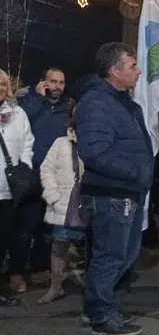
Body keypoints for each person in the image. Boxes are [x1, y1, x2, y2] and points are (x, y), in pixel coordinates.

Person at [74, 43, 153, 335]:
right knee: (111, 256)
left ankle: (98, 306)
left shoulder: (126, 104)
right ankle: (101, 314)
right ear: (114, 70)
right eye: (132, 66)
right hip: (112, 194)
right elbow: (94, 153)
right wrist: (136, 173)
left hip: (127, 194)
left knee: (125, 255)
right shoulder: (97, 103)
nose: (139, 70)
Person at [14, 67, 71, 292]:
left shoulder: (68, 108)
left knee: (47, 227)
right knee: (24, 227)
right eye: (52, 81)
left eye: (61, 82)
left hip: (56, 178)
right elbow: (22, 123)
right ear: (43, 82)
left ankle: (40, 268)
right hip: (31, 175)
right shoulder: (28, 103)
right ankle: (17, 272)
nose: (56, 86)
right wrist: (37, 98)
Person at [37, 101, 87, 304]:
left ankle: (93, 290)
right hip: (64, 204)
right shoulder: (60, 143)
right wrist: (53, 197)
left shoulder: (97, 139)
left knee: (92, 247)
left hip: (90, 203)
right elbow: (46, 169)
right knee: (59, 246)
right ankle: (55, 287)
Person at [0, 69, 32, 306]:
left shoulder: (17, 113)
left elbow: (27, 142)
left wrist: (25, 166)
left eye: (3, 84)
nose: (1, 88)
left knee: (2, 240)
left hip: (7, 190)